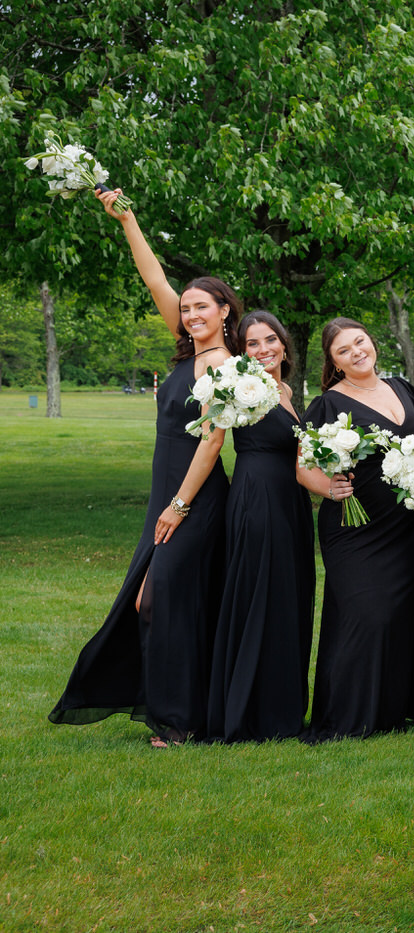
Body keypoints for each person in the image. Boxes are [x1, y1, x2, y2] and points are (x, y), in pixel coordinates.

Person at [49, 189, 236, 746]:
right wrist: (128, 220)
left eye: (204, 306)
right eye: (188, 307)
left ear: (226, 311)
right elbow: (155, 279)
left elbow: (211, 442)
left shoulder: (228, 367)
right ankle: (177, 710)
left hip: (195, 496)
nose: (192, 313)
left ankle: (180, 721)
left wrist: (180, 506)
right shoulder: (186, 350)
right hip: (166, 494)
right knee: (153, 599)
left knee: (160, 598)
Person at [298, 318, 414, 741]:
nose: (356, 352)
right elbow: (303, 468)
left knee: (399, 615)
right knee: (363, 614)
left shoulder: (402, 388)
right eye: (343, 350)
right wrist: (329, 489)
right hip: (355, 526)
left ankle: (392, 709)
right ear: (333, 363)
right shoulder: (327, 404)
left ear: (371, 341)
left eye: (359, 342)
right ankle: (346, 716)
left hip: (404, 522)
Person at [206, 311, 315, 742]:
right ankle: (248, 713)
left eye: (271, 340)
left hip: (290, 503)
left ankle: (282, 708)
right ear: (241, 350)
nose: (264, 349)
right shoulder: (235, 385)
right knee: (258, 599)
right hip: (257, 499)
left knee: (287, 599)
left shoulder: (286, 390)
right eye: (253, 343)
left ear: (284, 345)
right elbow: (211, 439)